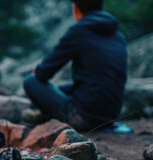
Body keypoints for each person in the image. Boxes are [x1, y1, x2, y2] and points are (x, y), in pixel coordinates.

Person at [23, 0, 128, 132]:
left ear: (75, 8)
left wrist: (37, 71)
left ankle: (44, 117)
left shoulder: (78, 31)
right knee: (63, 89)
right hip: (110, 116)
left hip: (82, 117)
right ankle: (44, 116)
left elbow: (44, 72)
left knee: (30, 81)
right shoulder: (118, 37)